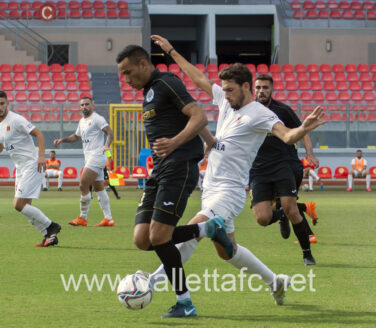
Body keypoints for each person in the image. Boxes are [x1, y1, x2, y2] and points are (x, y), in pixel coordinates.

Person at [148, 35, 324, 311]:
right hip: (211, 189)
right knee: (227, 252)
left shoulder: (260, 114)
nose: (225, 94)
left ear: (245, 86)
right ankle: (275, 281)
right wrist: (170, 51)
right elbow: (197, 79)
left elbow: (288, 136)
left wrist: (304, 128)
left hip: (229, 192)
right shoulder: (227, 102)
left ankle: (151, 283)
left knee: (195, 229)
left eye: (230, 90)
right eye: (224, 90)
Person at [117, 44, 221, 318]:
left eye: (128, 72)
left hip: (179, 165)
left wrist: (175, 142)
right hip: (159, 170)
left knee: (160, 237)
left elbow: (199, 115)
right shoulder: (148, 93)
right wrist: (210, 140)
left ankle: (185, 303)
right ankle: (206, 229)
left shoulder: (166, 82)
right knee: (142, 239)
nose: (126, 79)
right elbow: (187, 118)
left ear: (143, 64)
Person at [250, 75, 318, 262]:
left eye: (265, 87)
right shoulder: (247, 111)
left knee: (292, 208)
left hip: (283, 165)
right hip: (258, 169)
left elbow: (303, 131)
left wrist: (310, 154)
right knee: (263, 218)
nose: (261, 91)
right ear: (253, 89)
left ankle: (307, 253)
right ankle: (281, 215)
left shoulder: (283, 110)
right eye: (258, 87)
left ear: (272, 89)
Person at [0, 90, 61, 247]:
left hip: (32, 164)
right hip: (20, 168)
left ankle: (51, 225)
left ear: (7, 104)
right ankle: (49, 236)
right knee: (25, 207)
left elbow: (38, 134)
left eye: (2, 103)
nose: (0, 107)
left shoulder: (16, 119)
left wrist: (41, 156)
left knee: (18, 205)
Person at [53, 97, 115, 227]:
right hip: (89, 156)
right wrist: (62, 140)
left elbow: (110, 132)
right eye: (82, 105)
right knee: (99, 187)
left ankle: (83, 217)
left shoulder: (98, 119)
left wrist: (107, 145)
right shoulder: (82, 121)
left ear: (93, 106)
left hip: (98, 155)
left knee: (83, 184)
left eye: (87, 104)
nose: (84, 106)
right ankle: (108, 219)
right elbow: (76, 137)